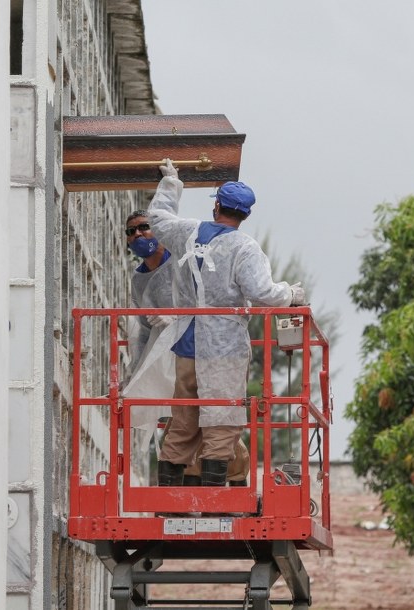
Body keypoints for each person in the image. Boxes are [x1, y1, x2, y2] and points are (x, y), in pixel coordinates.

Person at [146, 159, 305, 487]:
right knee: (222, 419)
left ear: (217, 206)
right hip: (224, 349)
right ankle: (213, 498)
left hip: (186, 344)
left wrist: (171, 183)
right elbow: (264, 294)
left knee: (185, 418)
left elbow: (158, 220)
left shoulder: (188, 232)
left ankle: (171, 502)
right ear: (244, 215)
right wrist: (291, 293)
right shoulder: (245, 248)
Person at [123, 210, 250, 486]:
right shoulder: (141, 279)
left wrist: (175, 319)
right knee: (189, 420)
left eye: (144, 227)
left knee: (216, 420)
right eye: (131, 231)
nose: (138, 235)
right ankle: (191, 491)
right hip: (180, 351)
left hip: (211, 348)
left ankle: (230, 482)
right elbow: (143, 330)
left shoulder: (181, 260)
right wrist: (137, 369)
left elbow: (198, 296)